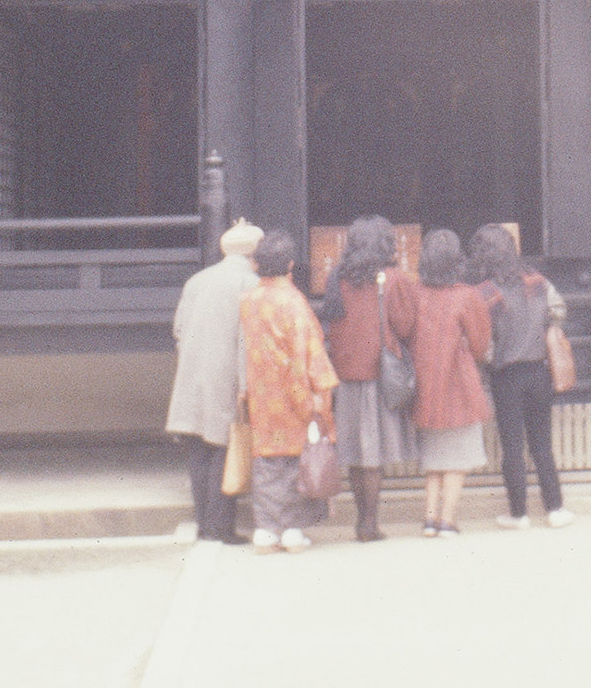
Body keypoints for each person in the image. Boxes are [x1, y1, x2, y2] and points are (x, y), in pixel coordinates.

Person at [236, 228, 339, 553]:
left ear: (256, 264)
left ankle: (266, 531)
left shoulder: (249, 301)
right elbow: (307, 352)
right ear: (291, 265)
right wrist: (317, 396)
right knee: (297, 461)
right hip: (294, 393)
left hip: (263, 394)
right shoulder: (294, 302)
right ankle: (292, 531)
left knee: (267, 461)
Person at [317, 215, 417, 541]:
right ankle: (369, 524)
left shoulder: (337, 279)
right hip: (378, 376)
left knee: (356, 453)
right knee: (373, 453)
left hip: (346, 376)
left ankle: (362, 520)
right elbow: (405, 326)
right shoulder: (393, 280)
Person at [470, 223, 574, 529]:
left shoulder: (484, 293)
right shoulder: (538, 281)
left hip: (506, 377)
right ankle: (555, 508)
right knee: (542, 443)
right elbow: (559, 311)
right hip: (540, 372)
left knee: (512, 446)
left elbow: (483, 345)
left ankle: (519, 514)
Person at [165, 218, 262, 544]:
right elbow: (246, 340)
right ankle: (220, 527)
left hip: (193, 373)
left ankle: (205, 522)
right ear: (252, 254)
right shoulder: (248, 283)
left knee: (198, 449)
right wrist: (246, 385)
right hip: (226, 376)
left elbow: (178, 329)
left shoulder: (197, 280)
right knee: (224, 448)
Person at [406, 228, 491, 537]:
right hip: (458, 385)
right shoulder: (467, 296)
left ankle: (429, 519)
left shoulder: (415, 293)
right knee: (456, 459)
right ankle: (447, 520)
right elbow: (481, 342)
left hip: (423, 387)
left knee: (433, 459)